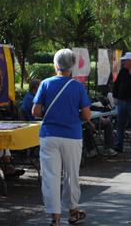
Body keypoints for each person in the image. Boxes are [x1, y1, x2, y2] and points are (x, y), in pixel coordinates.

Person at [32, 49, 93, 226]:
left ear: (55, 64)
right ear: (72, 66)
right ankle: (73, 210)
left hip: (49, 135)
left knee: (50, 175)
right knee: (71, 174)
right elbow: (87, 116)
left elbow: (35, 111)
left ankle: (55, 218)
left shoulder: (45, 84)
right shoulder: (78, 87)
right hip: (72, 135)